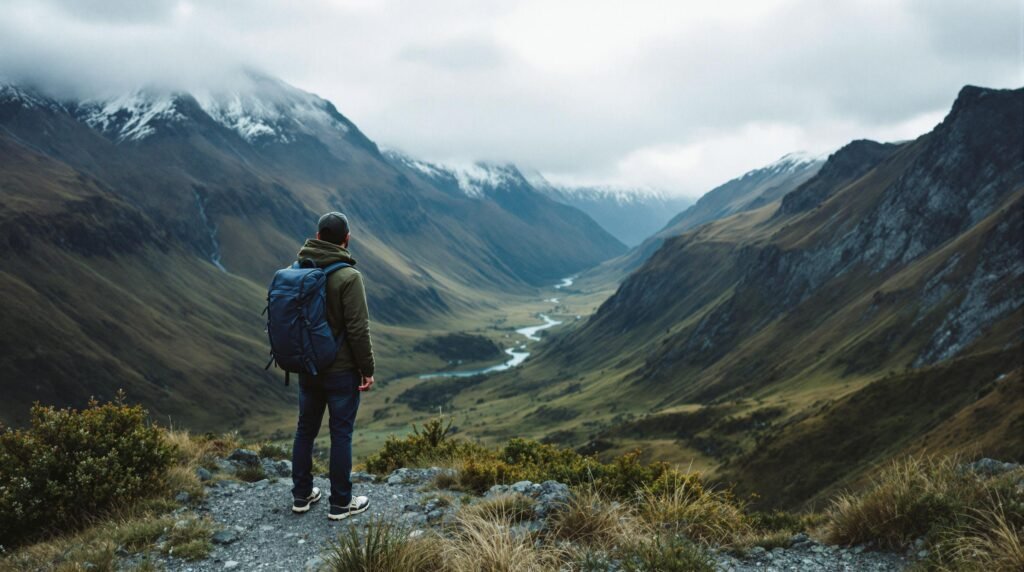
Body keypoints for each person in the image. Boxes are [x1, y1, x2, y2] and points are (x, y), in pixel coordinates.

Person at [290, 211, 375, 521]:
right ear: (346, 239)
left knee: (305, 431)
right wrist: (366, 368)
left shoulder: (297, 270)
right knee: (341, 434)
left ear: (318, 236)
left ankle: (301, 496)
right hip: (340, 371)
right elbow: (357, 328)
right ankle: (341, 503)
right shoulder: (349, 277)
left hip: (308, 368)